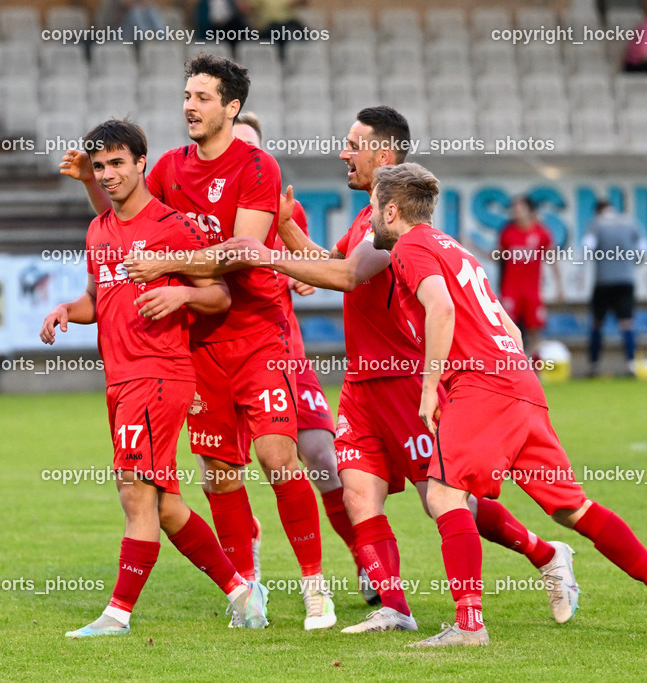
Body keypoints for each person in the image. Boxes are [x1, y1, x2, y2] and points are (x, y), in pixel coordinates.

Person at [223, 107, 580, 634]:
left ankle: (547, 554)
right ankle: (394, 607)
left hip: (409, 381)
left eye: (352, 144)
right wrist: (284, 231)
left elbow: (345, 275)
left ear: (382, 155)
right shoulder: (363, 222)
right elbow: (332, 264)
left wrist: (268, 256)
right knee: (357, 492)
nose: (343, 153)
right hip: (363, 385)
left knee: (444, 501)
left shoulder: (394, 228)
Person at [372, 162, 647, 647]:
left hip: (482, 386)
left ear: (392, 210)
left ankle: (468, 626)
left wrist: (429, 388)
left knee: (443, 496)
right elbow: (512, 329)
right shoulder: (454, 248)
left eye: (374, 207)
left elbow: (440, 308)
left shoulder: (411, 247)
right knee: (572, 508)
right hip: (520, 381)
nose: (371, 216)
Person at [59, 54, 334, 630]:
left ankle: (314, 586)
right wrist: (93, 181)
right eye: (187, 94)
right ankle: (246, 588)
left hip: (256, 329)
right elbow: (129, 217)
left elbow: (241, 250)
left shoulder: (257, 166)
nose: (190, 105)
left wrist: (169, 266)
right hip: (195, 343)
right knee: (218, 474)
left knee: (278, 457)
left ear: (231, 107)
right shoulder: (167, 166)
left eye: (203, 96)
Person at [40, 118, 268, 637]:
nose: (109, 173)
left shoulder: (173, 225)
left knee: (135, 494)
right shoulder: (98, 230)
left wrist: (182, 294)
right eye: (100, 166)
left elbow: (219, 295)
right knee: (164, 504)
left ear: (142, 163)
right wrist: (65, 310)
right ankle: (241, 593)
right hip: (119, 378)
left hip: (158, 373)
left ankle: (116, 615)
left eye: (118, 163)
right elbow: (99, 301)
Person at [230, 112, 360, 596]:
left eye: (251, 150)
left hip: (279, 351)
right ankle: (246, 569)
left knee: (322, 458)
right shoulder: (199, 207)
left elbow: (310, 267)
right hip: (219, 352)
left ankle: (363, 561)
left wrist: (295, 274)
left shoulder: (286, 210)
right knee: (220, 468)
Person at [582, 200, 647, 377]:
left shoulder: (596, 224)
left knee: (597, 323)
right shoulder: (630, 222)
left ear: (598, 211)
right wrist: (629, 264)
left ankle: (594, 366)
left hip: (603, 281)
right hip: (625, 281)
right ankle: (631, 365)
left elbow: (587, 247)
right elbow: (644, 249)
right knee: (627, 323)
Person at [495, 196, 564, 353]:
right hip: (510, 289)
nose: (516, 211)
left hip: (532, 290)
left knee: (535, 331)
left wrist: (560, 287)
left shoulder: (541, 233)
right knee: (507, 330)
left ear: (529, 210)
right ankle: (511, 368)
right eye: (514, 208)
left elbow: (552, 260)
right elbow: (496, 256)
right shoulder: (508, 233)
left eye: (520, 207)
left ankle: (534, 369)